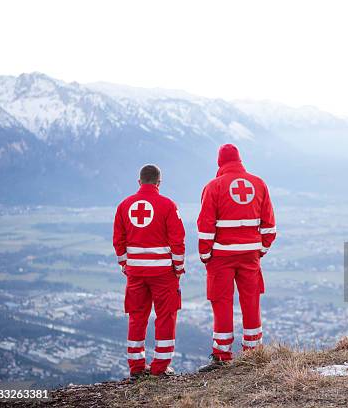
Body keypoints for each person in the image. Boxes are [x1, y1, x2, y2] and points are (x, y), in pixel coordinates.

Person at [197, 144, 276, 371]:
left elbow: (205, 226)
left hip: (221, 256)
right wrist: (260, 250)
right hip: (250, 255)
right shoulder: (259, 184)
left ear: (219, 163)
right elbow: (269, 225)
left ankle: (222, 354)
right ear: (240, 160)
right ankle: (254, 351)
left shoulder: (213, 186)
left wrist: (205, 254)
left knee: (221, 302)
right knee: (251, 300)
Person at [112, 164, 185, 378]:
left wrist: (126, 264)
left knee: (136, 316)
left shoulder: (124, 206)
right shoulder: (168, 205)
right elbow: (177, 240)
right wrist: (178, 268)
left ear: (139, 182)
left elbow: (118, 240)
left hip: (135, 273)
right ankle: (160, 367)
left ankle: (136, 366)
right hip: (163, 273)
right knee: (166, 316)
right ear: (159, 183)